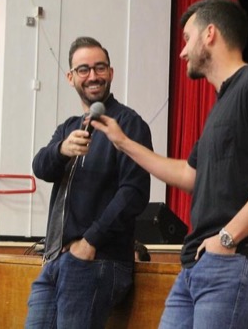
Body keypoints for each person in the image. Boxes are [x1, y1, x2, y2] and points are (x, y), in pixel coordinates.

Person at [91, 0, 248, 328]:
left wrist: (227, 237)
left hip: (239, 258)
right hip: (199, 264)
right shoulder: (220, 105)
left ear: (210, 34)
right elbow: (189, 174)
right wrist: (124, 143)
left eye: (187, 39)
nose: (182, 51)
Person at [25, 36, 153, 329]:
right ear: (70, 77)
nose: (93, 76)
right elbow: (40, 166)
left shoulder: (128, 124)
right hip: (56, 260)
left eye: (100, 68)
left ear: (111, 73)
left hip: (96, 260)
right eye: (83, 69)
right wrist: (61, 150)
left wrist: (90, 242)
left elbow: (134, 193)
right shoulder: (69, 127)